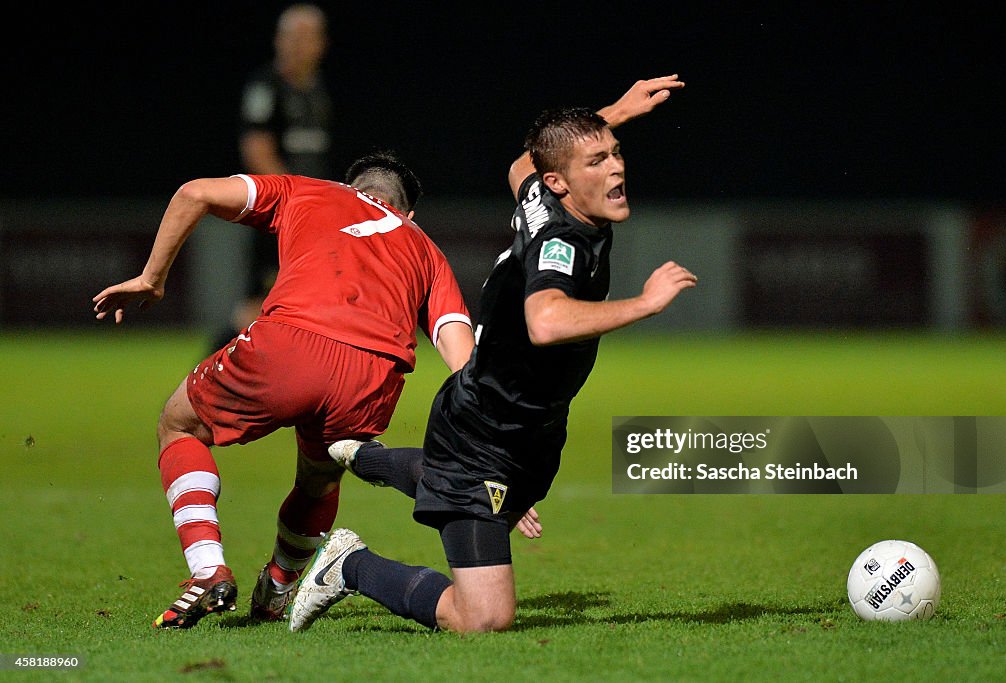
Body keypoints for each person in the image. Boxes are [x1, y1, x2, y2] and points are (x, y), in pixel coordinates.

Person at [287, 74, 697, 634]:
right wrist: (646, 304)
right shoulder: (563, 242)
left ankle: (361, 457)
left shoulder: (542, 193)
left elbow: (521, 167)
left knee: (489, 499)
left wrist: (613, 116)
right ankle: (347, 565)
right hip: (480, 436)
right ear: (562, 183)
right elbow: (547, 320)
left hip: (531, 427)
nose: (617, 168)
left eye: (616, 154)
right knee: (484, 617)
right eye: (598, 160)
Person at [92, 151, 475, 629]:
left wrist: (153, 278)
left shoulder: (311, 190)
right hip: (373, 377)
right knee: (320, 478)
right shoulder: (427, 249)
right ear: (409, 212)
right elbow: (462, 357)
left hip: (292, 345)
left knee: (179, 425)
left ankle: (208, 569)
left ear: (349, 185)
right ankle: (277, 589)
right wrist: (488, 453)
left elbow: (194, 192)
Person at [212, 3, 336, 352]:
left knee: (294, 303)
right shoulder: (266, 87)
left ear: (322, 44)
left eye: (306, 37)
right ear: (277, 40)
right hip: (279, 213)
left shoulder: (316, 90)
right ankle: (202, 380)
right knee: (257, 306)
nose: (297, 45)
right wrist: (293, 199)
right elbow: (256, 149)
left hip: (310, 213)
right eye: (290, 36)